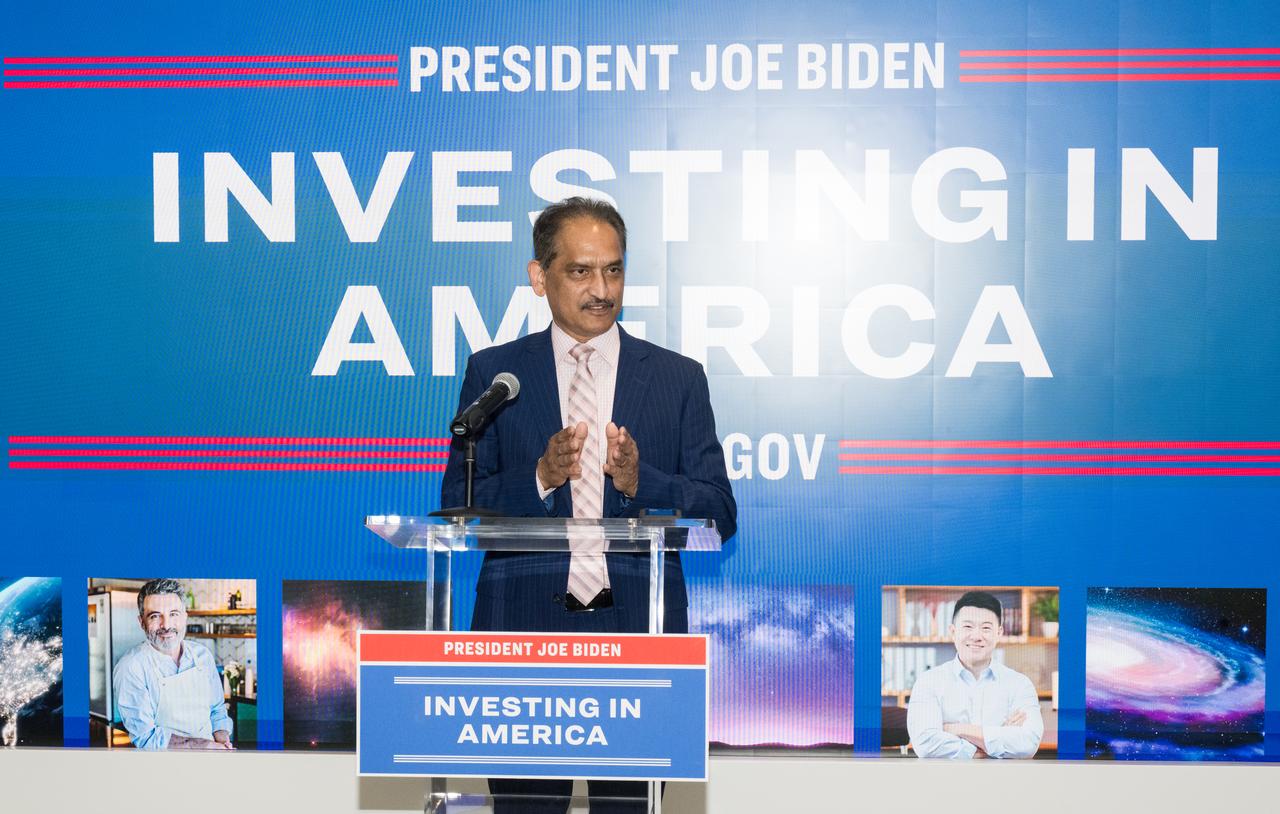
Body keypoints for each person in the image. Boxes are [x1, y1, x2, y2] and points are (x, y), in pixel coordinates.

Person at [441, 197, 736, 812]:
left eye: (614, 270)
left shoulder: (679, 379)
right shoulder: (496, 377)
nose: (602, 290)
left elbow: (719, 510)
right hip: (520, 634)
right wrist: (541, 477)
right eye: (580, 272)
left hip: (634, 635)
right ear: (539, 276)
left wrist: (640, 482)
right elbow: (457, 504)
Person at [906, 591, 1044, 759]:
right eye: (968, 627)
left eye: (986, 628)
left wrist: (956, 729)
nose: (976, 636)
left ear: (999, 633)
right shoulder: (929, 681)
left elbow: (1028, 743)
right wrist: (989, 746)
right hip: (944, 781)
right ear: (953, 631)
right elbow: (926, 744)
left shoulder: (1019, 684)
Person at [112, 579, 233, 750]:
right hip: (163, 769)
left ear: (185, 617)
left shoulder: (202, 656)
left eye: (174, 614)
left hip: (210, 759)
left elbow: (217, 709)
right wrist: (203, 746)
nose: (166, 625)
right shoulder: (131, 668)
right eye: (155, 616)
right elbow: (146, 737)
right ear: (141, 622)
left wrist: (222, 738)